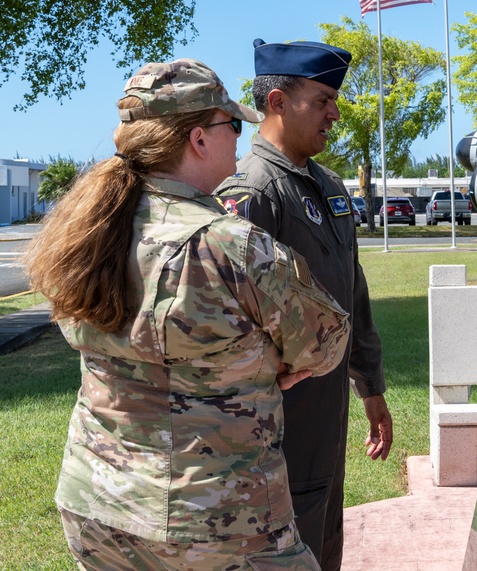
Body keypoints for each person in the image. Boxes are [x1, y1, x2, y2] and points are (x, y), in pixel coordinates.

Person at [24, 59, 352, 570]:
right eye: (233, 126)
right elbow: (327, 342)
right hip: (217, 522)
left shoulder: (87, 233)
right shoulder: (232, 245)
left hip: (100, 507)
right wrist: (270, 359)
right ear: (199, 139)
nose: (239, 141)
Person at [216, 39, 393, 570]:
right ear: (276, 102)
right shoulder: (252, 191)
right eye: (321, 100)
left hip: (326, 405)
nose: (335, 113)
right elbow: (231, 316)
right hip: (275, 416)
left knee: (322, 525)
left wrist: (372, 388)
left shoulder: (328, 187)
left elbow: (350, 296)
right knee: (285, 533)